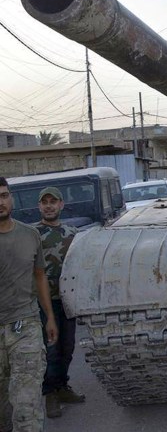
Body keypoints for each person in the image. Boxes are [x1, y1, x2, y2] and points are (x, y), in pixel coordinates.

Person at [0, 177, 58, 432]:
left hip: (25, 326)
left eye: (3, 195)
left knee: (26, 405)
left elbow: (39, 275)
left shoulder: (30, 234)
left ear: (11, 198)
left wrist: (50, 317)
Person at [34, 187, 84, 418]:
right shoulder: (33, 234)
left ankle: (62, 387)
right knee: (50, 351)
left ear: (61, 205)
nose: (49, 206)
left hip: (67, 299)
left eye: (53, 201)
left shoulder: (72, 233)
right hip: (44, 302)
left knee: (68, 347)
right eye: (45, 202)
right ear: (39, 207)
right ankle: (50, 394)